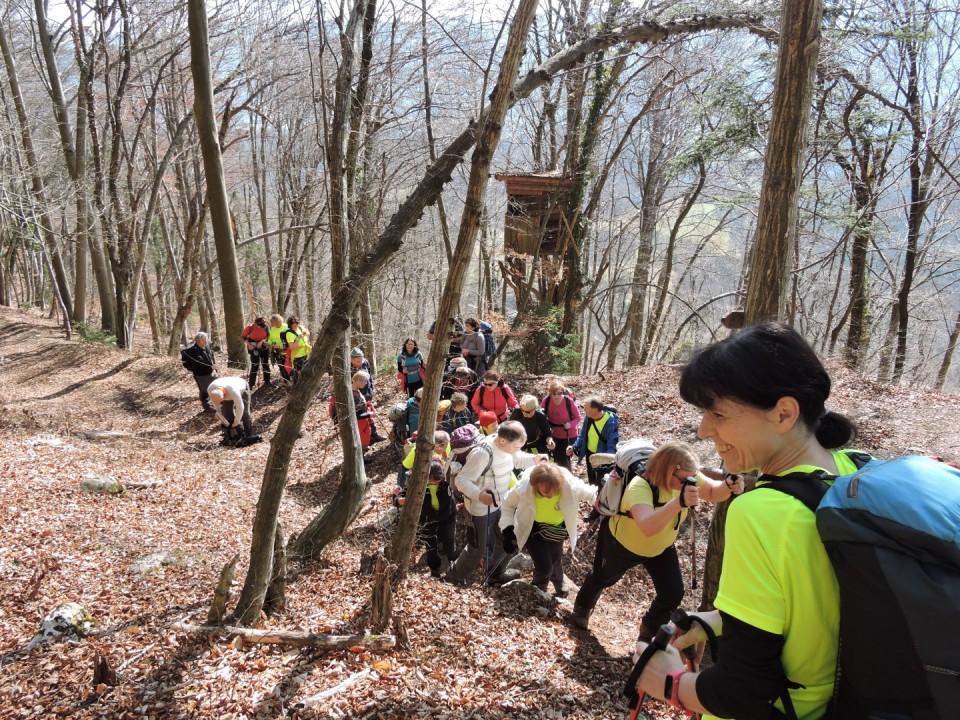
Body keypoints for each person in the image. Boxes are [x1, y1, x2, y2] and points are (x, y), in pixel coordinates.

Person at [632, 323, 860, 720]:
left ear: (784, 413)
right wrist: (717, 621)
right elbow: (815, 607)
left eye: (718, 413)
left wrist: (664, 681)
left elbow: (739, 693)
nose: (704, 430)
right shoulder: (850, 470)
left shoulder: (761, 512)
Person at [570, 441, 743, 637]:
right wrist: (679, 502)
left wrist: (729, 486)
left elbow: (712, 492)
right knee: (603, 578)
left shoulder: (686, 475)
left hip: (662, 548)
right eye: (685, 480)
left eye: (692, 478)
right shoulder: (639, 486)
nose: (689, 483)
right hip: (622, 545)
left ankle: (648, 632)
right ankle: (582, 608)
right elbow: (648, 527)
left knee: (673, 592)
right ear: (669, 472)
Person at [445, 421, 546, 585]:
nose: (517, 450)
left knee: (508, 540)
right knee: (476, 550)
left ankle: (494, 575)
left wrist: (534, 459)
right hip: (479, 509)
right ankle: (453, 577)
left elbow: (517, 458)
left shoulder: (506, 446)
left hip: (501, 503)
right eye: (516, 446)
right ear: (503, 441)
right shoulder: (481, 454)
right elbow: (462, 481)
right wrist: (478, 495)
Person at [500, 463, 596, 596]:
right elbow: (506, 503)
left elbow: (592, 494)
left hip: (556, 530)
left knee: (555, 559)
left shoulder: (568, 485)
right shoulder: (525, 487)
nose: (551, 495)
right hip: (532, 529)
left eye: (555, 491)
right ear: (536, 485)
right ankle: (538, 590)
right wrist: (507, 530)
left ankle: (559, 582)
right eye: (545, 491)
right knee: (545, 567)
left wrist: (603, 503)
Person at [414, 460, 460, 578]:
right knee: (430, 545)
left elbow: (449, 507)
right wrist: (398, 499)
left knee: (449, 543)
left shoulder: (445, 485)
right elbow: (402, 495)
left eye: (437, 481)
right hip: (428, 519)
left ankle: (455, 568)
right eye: (431, 481)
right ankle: (434, 570)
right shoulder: (419, 485)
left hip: (447, 517)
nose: (434, 483)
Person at [566, 396, 620, 487]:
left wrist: (605, 463)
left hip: (602, 457)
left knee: (602, 482)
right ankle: (593, 497)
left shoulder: (611, 423)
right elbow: (583, 435)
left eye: (586, 408)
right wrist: (575, 446)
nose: (584, 410)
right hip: (590, 455)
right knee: (592, 481)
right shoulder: (589, 418)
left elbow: (612, 445)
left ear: (595, 410)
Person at [329, 370, 378, 449]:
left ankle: (363, 454)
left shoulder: (355, 390)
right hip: (357, 424)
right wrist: (370, 414)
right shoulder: (351, 395)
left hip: (361, 423)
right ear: (357, 381)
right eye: (365, 381)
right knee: (358, 440)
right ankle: (362, 459)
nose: (366, 383)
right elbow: (356, 415)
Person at [541, 380, 581, 469]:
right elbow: (542, 416)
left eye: (559, 393)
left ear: (562, 391)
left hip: (569, 434)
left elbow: (578, 417)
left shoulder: (569, 401)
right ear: (550, 393)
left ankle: (566, 479)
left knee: (564, 460)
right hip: (554, 434)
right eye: (554, 393)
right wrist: (548, 427)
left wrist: (570, 424)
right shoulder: (546, 401)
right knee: (555, 458)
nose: (556, 396)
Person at [181, 331, 218, 412]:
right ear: (200, 340)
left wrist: (214, 368)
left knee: (215, 387)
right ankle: (206, 407)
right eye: (206, 339)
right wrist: (210, 366)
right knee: (204, 390)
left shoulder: (206, 347)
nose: (207, 340)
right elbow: (199, 361)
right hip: (201, 374)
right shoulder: (194, 350)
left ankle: (217, 403)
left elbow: (211, 358)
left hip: (211, 371)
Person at [241, 317, 271, 388]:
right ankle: (251, 384)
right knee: (255, 365)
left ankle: (267, 381)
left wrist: (262, 341)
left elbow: (269, 336)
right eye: (259, 326)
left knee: (265, 364)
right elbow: (243, 336)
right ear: (255, 323)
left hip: (263, 345)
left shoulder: (266, 326)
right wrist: (249, 345)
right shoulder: (250, 327)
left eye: (262, 326)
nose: (261, 327)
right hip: (252, 345)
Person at [281, 316, 311, 384]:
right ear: (290, 324)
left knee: (305, 372)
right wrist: (298, 338)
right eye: (292, 323)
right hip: (297, 356)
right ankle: (297, 386)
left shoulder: (300, 327)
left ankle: (303, 385)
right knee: (298, 373)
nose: (295, 324)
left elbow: (308, 333)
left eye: (296, 323)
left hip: (305, 353)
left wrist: (305, 333)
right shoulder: (289, 334)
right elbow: (292, 348)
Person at [266, 314, 290, 383]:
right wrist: (269, 343)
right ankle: (286, 381)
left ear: (279, 321)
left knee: (287, 366)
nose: (274, 324)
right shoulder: (273, 328)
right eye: (272, 323)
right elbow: (271, 338)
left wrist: (280, 345)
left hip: (286, 350)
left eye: (275, 323)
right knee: (281, 366)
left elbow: (290, 339)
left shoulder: (286, 327)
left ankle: (291, 380)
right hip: (276, 351)